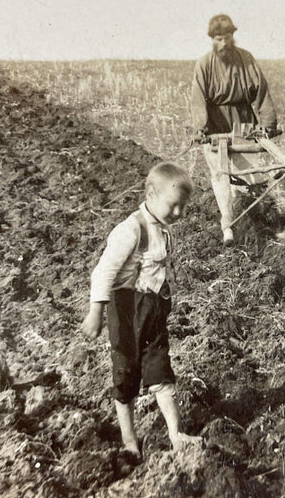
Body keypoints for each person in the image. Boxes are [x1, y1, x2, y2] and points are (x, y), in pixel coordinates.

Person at [81, 162, 201, 460]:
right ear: (150, 194)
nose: (179, 214)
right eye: (173, 206)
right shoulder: (131, 230)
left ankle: (175, 434)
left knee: (161, 371)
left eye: (183, 207)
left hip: (153, 314)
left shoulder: (164, 231)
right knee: (126, 375)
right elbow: (103, 273)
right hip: (126, 313)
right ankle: (129, 440)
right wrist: (95, 312)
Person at [191, 14, 278, 246]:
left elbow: (261, 93)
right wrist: (201, 128)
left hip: (243, 121)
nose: (224, 43)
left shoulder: (246, 60)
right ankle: (227, 222)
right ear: (212, 39)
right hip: (216, 124)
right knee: (221, 173)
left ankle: (255, 219)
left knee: (249, 173)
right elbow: (198, 100)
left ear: (233, 36)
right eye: (219, 39)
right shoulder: (204, 65)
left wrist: (268, 124)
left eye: (228, 37)